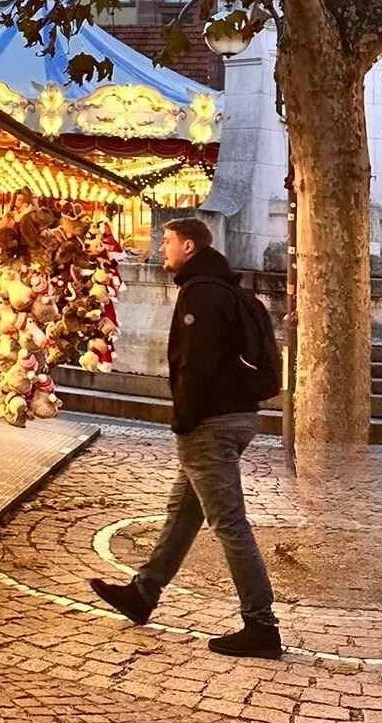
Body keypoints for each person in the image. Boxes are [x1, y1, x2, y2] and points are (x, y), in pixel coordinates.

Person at [90, 215, 282, 660]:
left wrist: (185, 419)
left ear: (189, 247)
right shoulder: (225, 289)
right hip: (236, 416)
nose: (162, 248)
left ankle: (261, 625)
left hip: (210, 423)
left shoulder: (201, 293)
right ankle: (143, 592)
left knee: (229, 523)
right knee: (183, 511)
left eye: (168, 241)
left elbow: (194, 364)